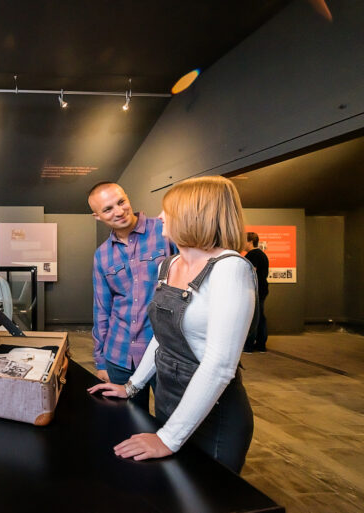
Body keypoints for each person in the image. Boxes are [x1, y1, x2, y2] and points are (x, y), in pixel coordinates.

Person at [88, 176, 257, 474]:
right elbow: (162, 335)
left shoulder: (230, 268)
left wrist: (167, 438)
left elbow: (219, 366)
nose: (160, 216)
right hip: (170, 402)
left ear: (192, 216)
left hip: (213, 411)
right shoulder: (170, 265)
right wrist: (132, 386)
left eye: (168, 210)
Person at [88, 182, 176, 412]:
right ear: (97, 216)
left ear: (127, 197)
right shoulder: (102, 255)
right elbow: (102, 309)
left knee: (170, 420)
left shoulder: (165, 231)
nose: (119, 211)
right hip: (120, 354)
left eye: (121, 202)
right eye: (107, 209)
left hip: (165, 353)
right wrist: (100, 360)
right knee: (126, 422)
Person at [243, 232, 269, 353]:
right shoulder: (261, 254)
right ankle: (261, 345)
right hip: (261, 289)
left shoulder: (253, 255)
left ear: (250, 241)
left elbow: (251, 273)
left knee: (252, 317)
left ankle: (249, 346)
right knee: (260, 317)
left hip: (254, 291)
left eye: (244, 241)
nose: (242, 244)